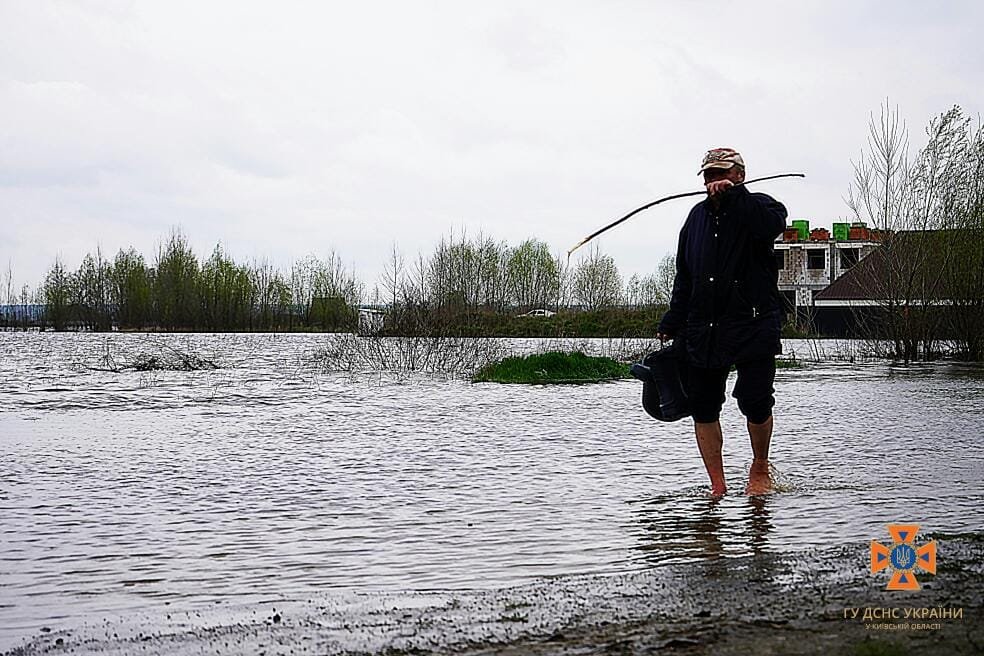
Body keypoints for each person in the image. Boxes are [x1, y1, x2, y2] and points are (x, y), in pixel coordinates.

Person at [655, 148, 787, 496]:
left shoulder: (763, 207)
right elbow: (685, 276)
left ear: (740, 174)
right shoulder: (694, 220)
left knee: (756, 401)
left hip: (753, 324)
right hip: (704, 328)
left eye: (721, 173)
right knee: (703, 405)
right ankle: (717, 484)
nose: (714, 180)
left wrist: (735, 195)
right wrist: (674, 318)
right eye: (709, 175)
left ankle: (759, 468)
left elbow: (771, 226)